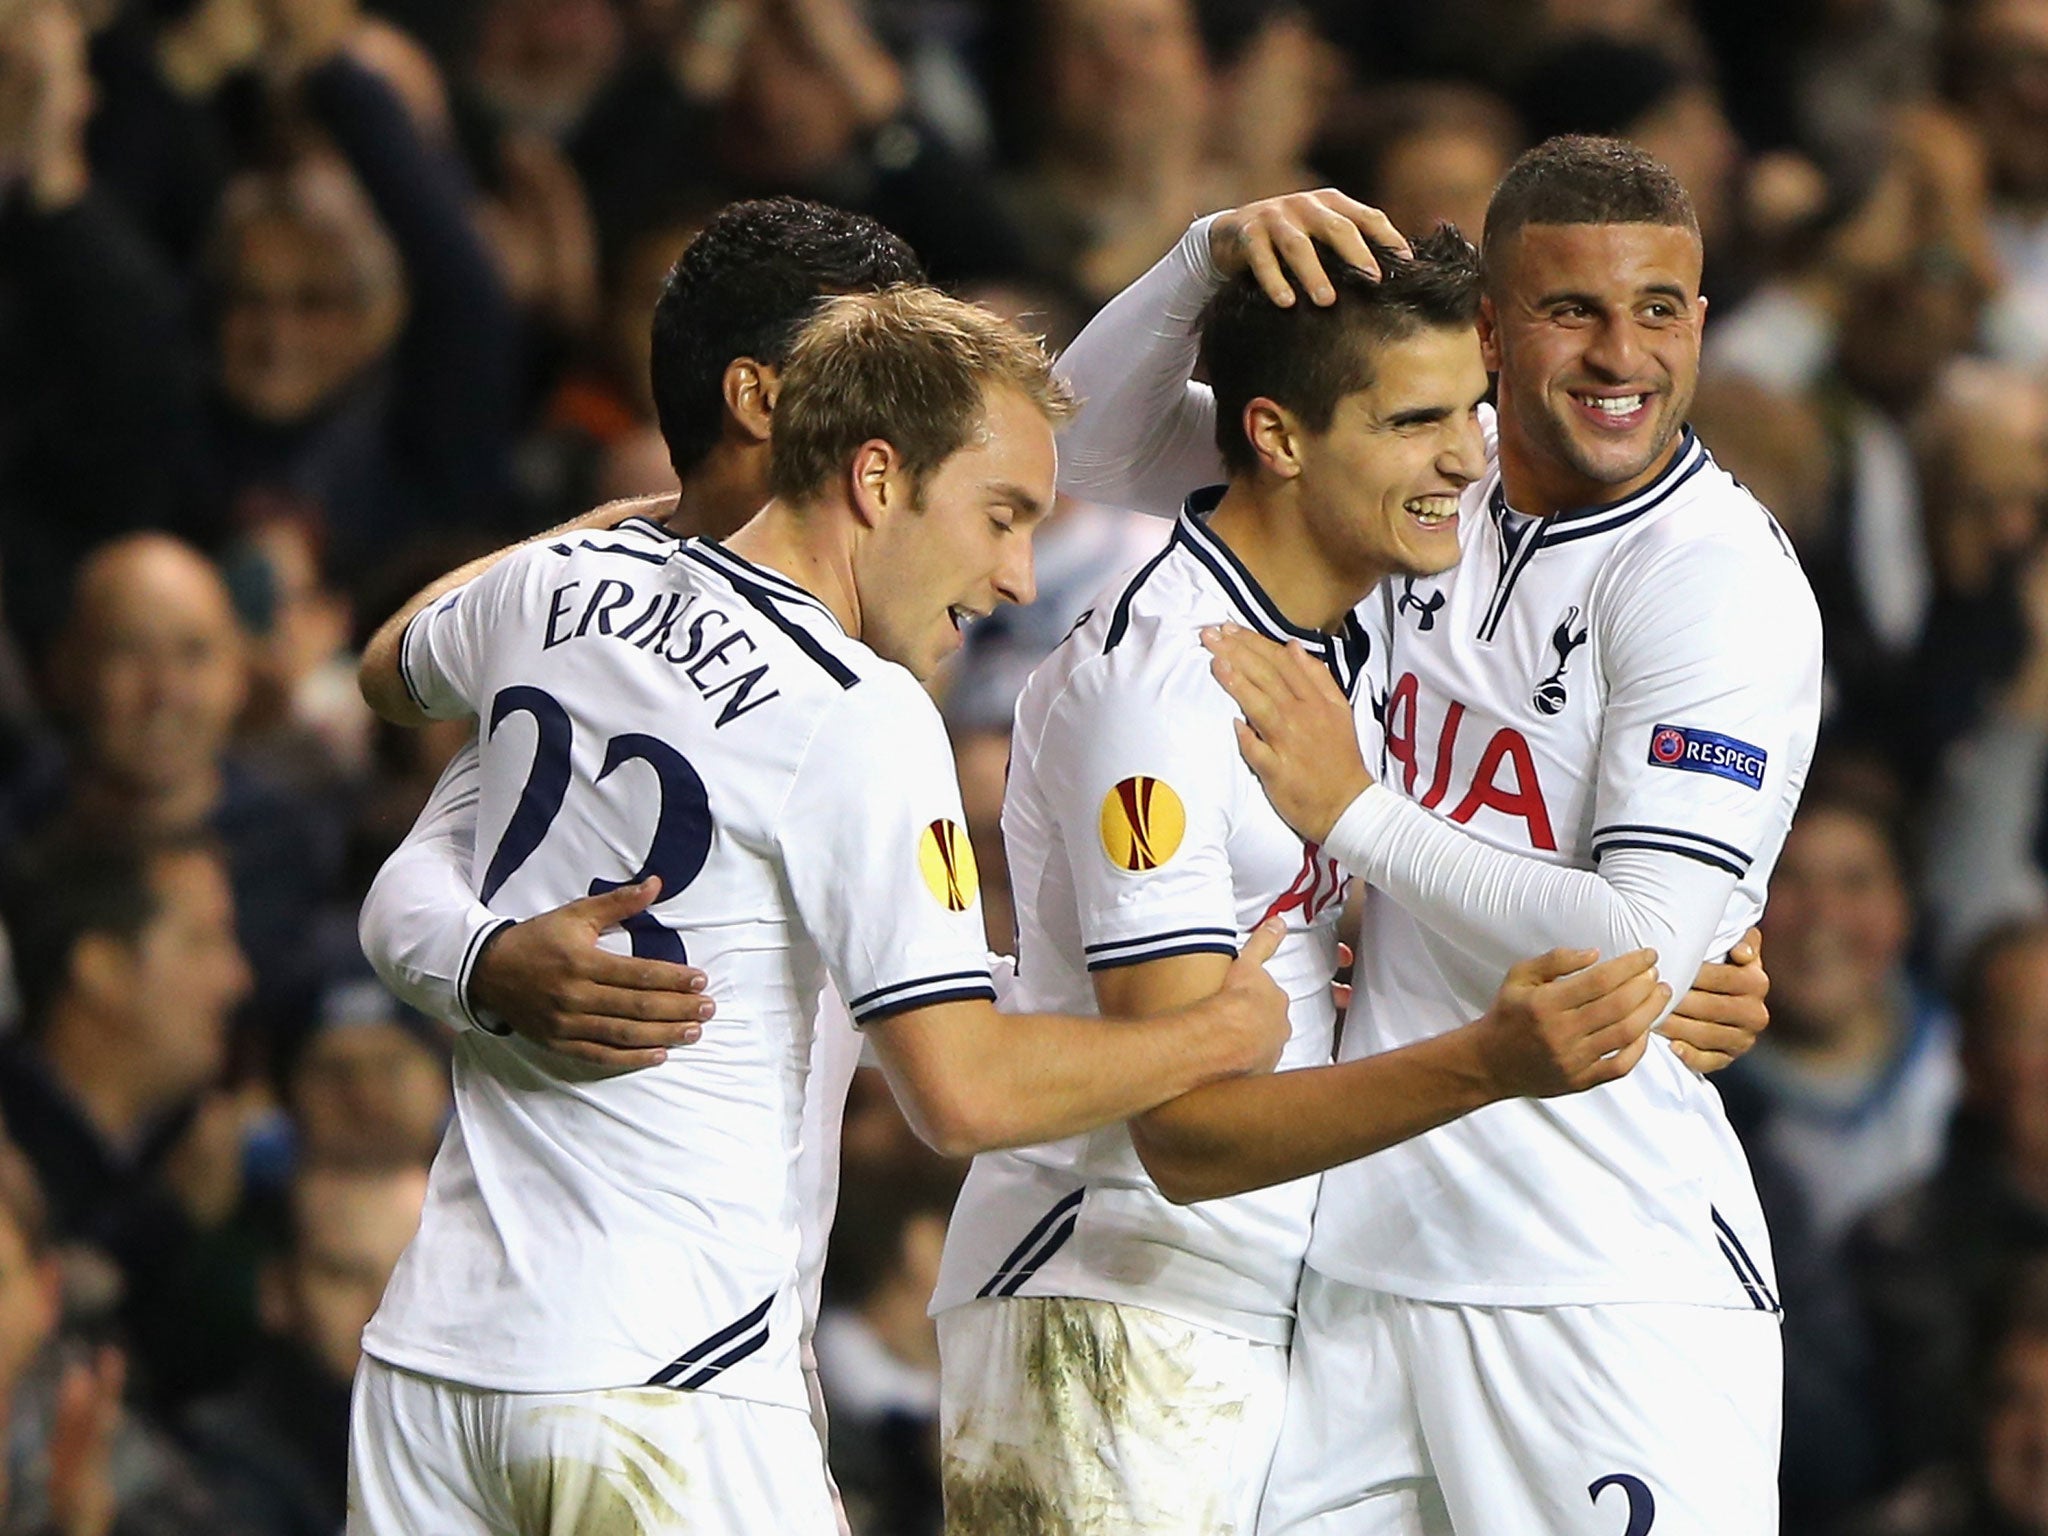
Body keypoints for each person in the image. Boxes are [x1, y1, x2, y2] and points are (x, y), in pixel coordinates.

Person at [345, 285, 1293, 1532]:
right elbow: (962, 1094)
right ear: (878, 477)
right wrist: (1225, 1030)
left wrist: (625, 531)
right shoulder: (857, 710)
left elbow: (391, 671)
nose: (1014, 576)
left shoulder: (554, 583)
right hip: (667, 1381)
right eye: (1000, 517)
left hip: (431, 1370)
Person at [1057, 138, 1821, 1532]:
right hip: (1357, 1265)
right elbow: (1085, 444)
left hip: (1593, 1276)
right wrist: (1203, 256)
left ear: (1703, 319)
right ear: (1489, 322)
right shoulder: (1418, 486)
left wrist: (1359, 812)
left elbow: (1649, 947)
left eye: (1659, 308)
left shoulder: (1714, 583)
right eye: (1571, 309)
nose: (1620, 355)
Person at [930, 225, 1690, 1531]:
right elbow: (1185, 1129)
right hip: (1108, 1308)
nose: (1466, 458)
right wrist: (1491, 1062)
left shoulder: (1360, 619)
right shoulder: (1165, 689)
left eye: (1472, 411)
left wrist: (1685, 955)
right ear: (1276, 438)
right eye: (1413, 423)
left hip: (1262, 1308)